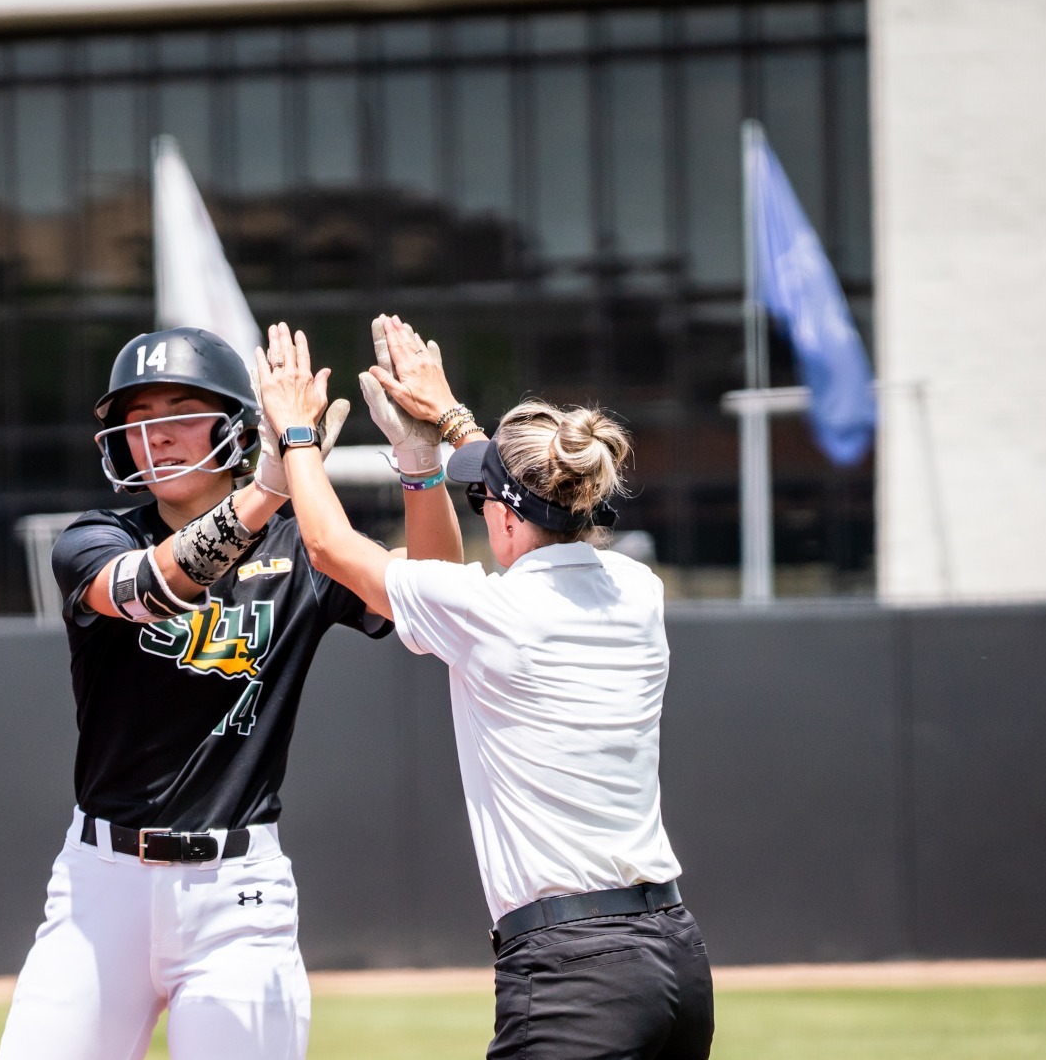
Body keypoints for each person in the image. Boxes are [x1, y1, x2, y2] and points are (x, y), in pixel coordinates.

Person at [252, 318, 714, 1060]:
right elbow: (527, 491)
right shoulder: (638, 589)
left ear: (501, 516)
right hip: (676, 955)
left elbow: (328, 546)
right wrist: (443, 428)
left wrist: (296, 434)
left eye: (484, 502)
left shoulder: (494, 612)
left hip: (573, 972)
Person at [0, 325, 433, 1060]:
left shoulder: (305, 545)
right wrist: (268, 485)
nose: (153, 438)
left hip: (239, 892)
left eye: (175, 414)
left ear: (235, 425)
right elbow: (154, 588)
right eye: (137, 422)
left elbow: (431, 598)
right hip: (100, 883)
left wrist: (420, 464)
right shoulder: (93, 537)